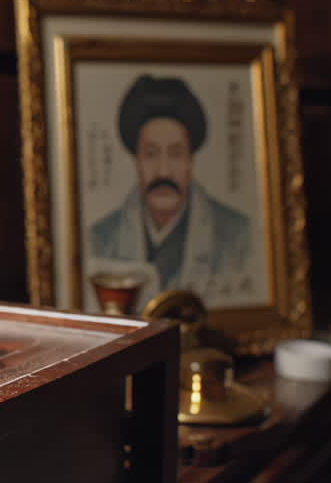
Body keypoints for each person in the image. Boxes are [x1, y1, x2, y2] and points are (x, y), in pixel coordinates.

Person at [89, 75, 250, 308]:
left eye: (175, 154)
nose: (163, 171)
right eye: (151, 154)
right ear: (137, 161)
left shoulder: (236, 235)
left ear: (190, 161)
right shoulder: (101, 237)